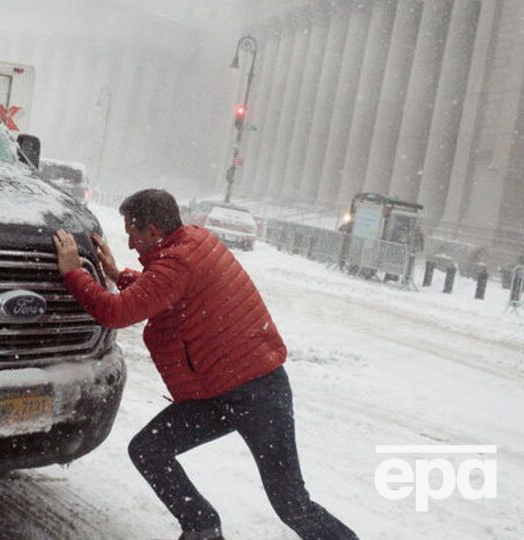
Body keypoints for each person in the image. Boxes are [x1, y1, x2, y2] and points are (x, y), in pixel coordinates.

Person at [52, 189, 357, 540]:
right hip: (219, 392)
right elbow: (163, 295)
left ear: (153, 230)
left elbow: (116, 312)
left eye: (133, 234)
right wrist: (118, 274)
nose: (131, 242)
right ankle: (202, 527)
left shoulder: (176, 262)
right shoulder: (189, 245)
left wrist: (74, 273)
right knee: (149, 449)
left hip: (257, 393)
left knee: (291, 502)